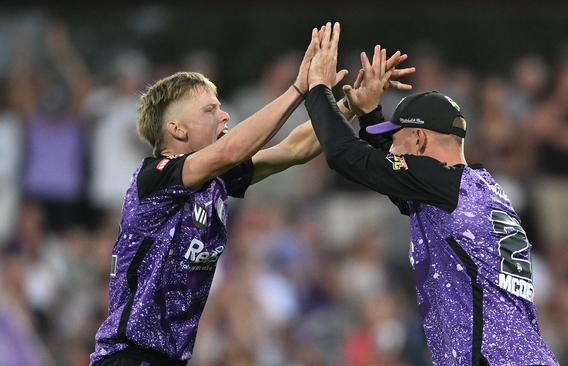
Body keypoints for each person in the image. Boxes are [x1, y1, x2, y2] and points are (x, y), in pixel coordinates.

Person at [90, 25, 413, 365]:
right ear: (176, 129)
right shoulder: (155, 177)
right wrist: (300, 89)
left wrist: (348, 105)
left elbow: (294, 149)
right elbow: (231, 150)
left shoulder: (215, 180)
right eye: (209, 110)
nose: (224, 114)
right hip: (128, 357)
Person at [304, 22, 559, 365]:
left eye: (398, 136)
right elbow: (394, 173)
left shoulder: (441, 183)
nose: (392, 146)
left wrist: (317, 87)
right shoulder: (481, 187)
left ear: (421, 139)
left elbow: (343, 155)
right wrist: (369, 115)